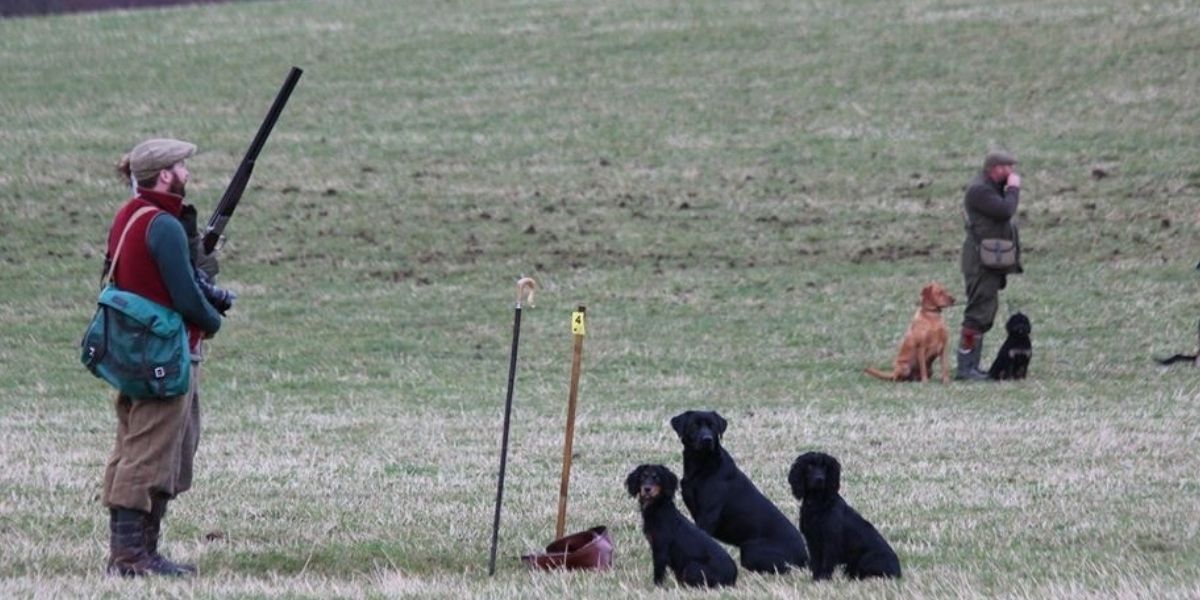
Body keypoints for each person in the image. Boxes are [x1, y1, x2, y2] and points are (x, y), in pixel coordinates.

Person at [102, 138, 232, 576]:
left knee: (142, 446)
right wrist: (213, 318)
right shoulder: (162, 224)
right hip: (165, 353)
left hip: (133, 349)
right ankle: (130, 556)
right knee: (152, 452)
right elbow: (186, 298)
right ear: (163, 175)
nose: (187, 174)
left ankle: (139, 551)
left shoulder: (128, 216)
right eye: (180, 166)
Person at [957, 150, 1023, 381]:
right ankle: (966, 368)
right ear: (995, 168)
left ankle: (971, 366)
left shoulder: (991, 187)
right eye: (1007, 168)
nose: (1012, 173)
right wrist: (1013, 189)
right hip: (979, 263)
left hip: (989, 262)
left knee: (985, 312)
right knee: (977, 313)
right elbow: (1005, 210)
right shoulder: (980, 190)